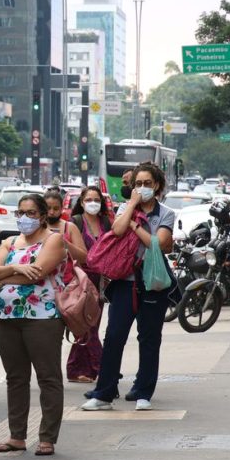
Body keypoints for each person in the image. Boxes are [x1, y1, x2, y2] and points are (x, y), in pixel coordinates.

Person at [81, 162, 177, 412]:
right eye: (137, 184)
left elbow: (160, 244)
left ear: (156, 185)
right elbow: (117, 229)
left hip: (153, 282)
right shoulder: (126, 207)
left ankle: (144, 392)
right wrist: (133, 207)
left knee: (149, 338)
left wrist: (136, 226)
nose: (142, 188)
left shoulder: (165, 213)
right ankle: (104, 392)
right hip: (124, 282)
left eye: (147, 184)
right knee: (114, 337)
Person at [0, 194, 66, 456]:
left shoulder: (53, 239)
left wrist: (5, 279)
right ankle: (17, 436)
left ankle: (47, 438)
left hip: (42, 318)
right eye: (20, 212)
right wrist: (20, 270)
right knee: (16, 378)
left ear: (43, 215)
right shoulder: (10, 241)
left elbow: (40, 273)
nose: (24, 218)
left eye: (31, 213)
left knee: (48, 377)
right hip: (8, 316)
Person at [65, 185, 111, 383]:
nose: (93, 203)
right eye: (88, 199)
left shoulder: (107, 222)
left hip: (101, 280)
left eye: (96, 199)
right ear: (82, 203)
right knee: (86, 326)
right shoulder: (75, 222)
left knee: (92, 325)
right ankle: (102, 366)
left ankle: (79, 369)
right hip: (81, 279)